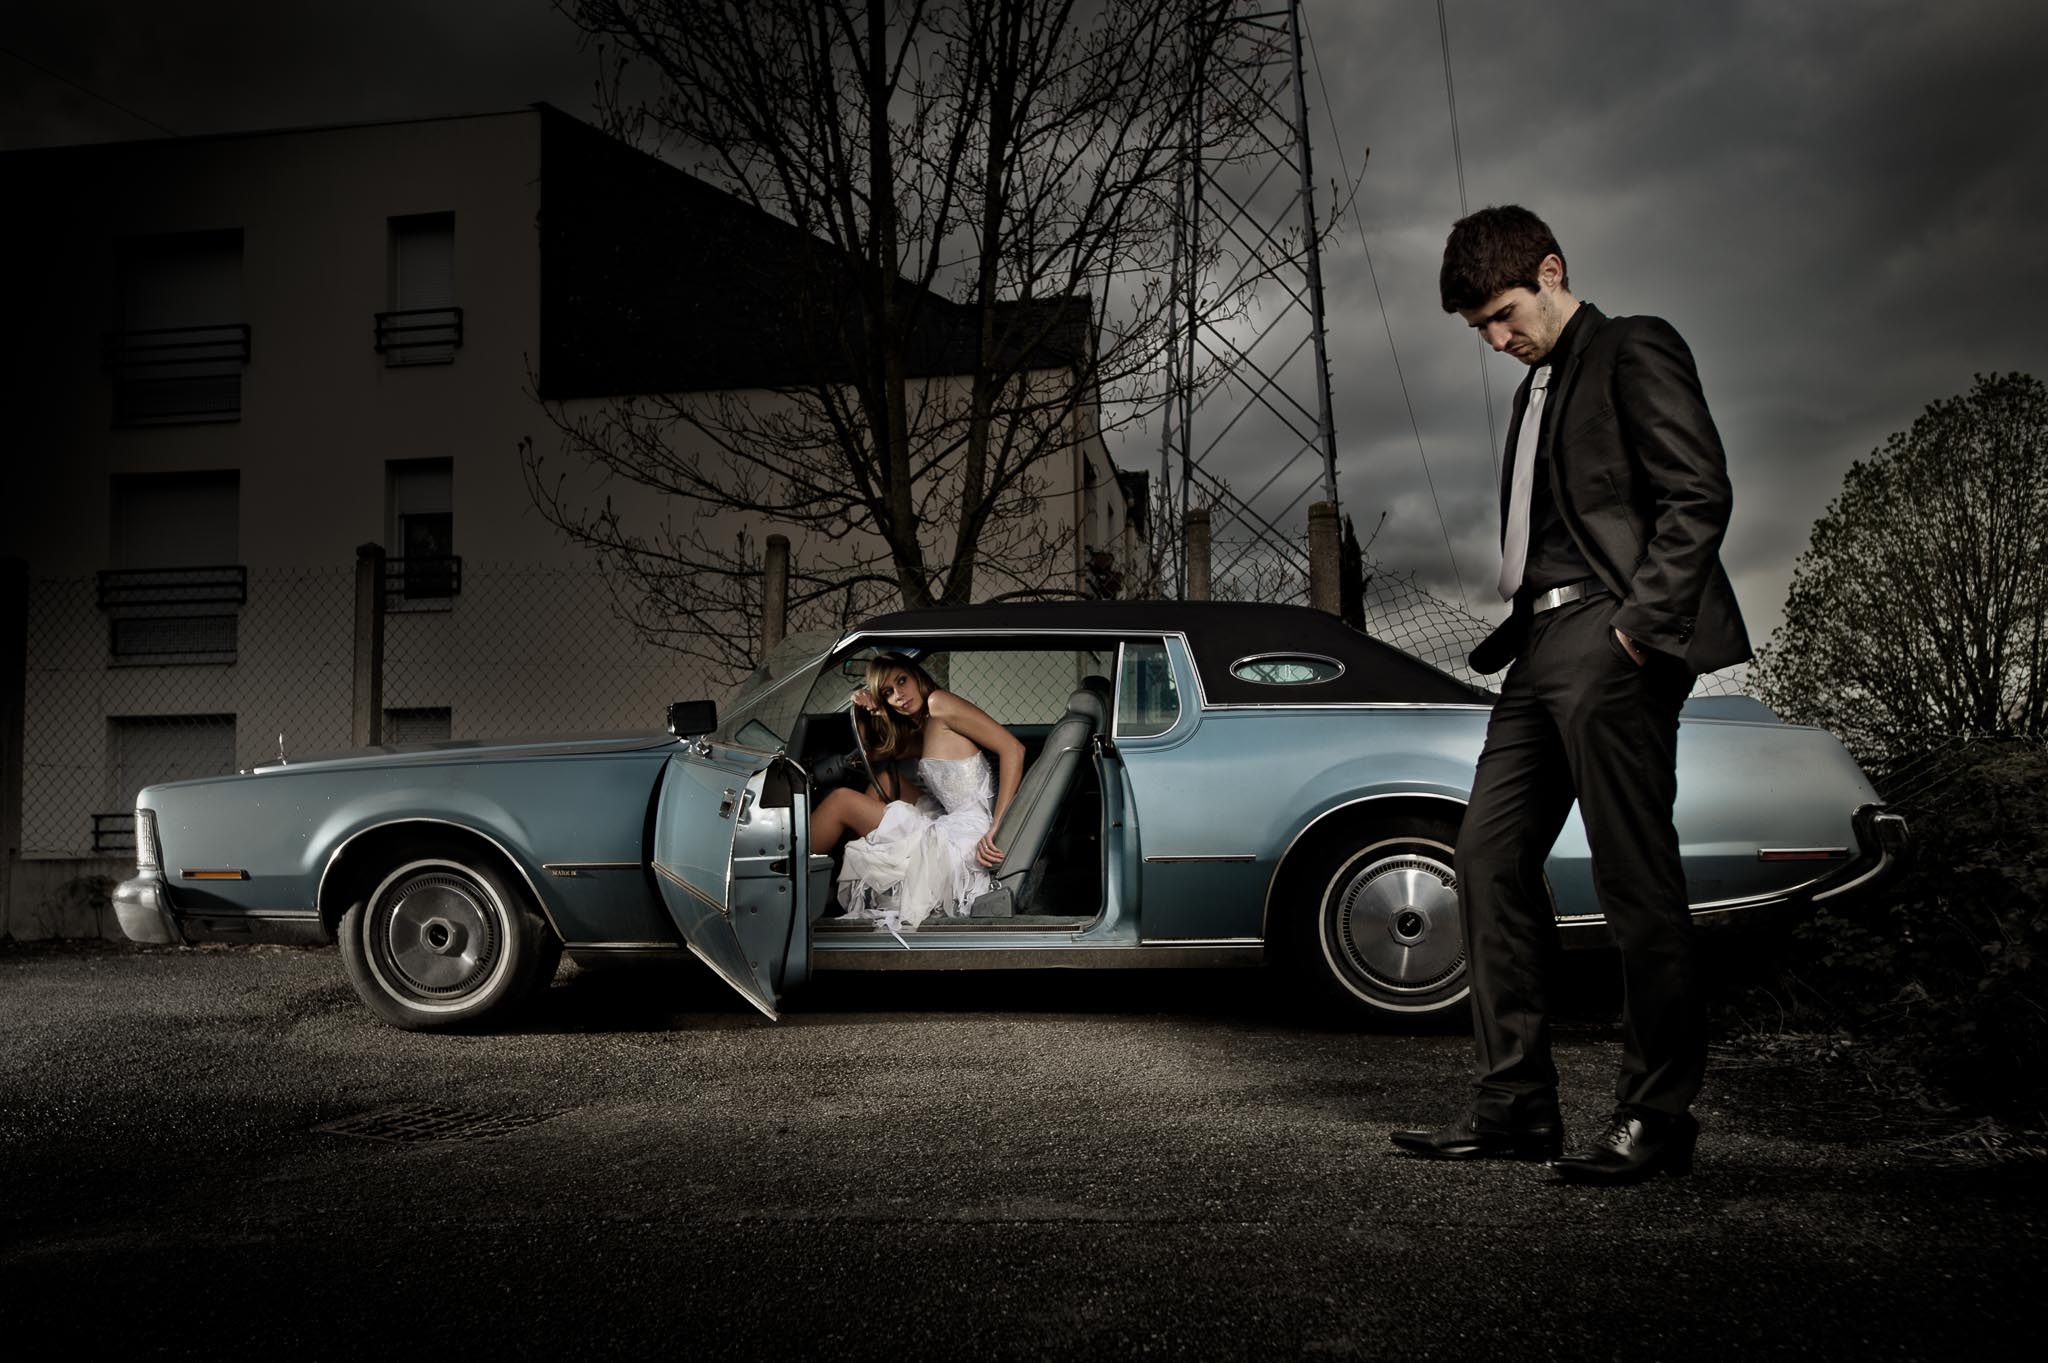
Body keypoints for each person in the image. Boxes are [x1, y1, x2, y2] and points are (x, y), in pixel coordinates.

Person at [1390, 206, 1751, 1185]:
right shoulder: (1533, 392)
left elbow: (1697, 492)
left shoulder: (1632, 347)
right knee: (1484, 854)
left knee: (1634, 876)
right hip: (1536, 649)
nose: (1496, 342)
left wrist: (1640, 624)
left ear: (1551, 270)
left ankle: (1655, 1116)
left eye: (1503, 316)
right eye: (1479, 332)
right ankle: (1515, 1109)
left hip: (1611, 635)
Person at [809, 653, 1025, 936]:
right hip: (952, 814)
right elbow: (874, 754)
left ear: (917, 676)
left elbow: (1013, 749)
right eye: (888, 692)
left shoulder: (939, 703)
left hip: (968, 828)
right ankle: (840, 881)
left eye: (902, 681)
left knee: (840, 801)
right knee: (884, 781)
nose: (899, 695)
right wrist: (868, 710)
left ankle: (791, 876)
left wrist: (998, 826)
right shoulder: (923, 724)